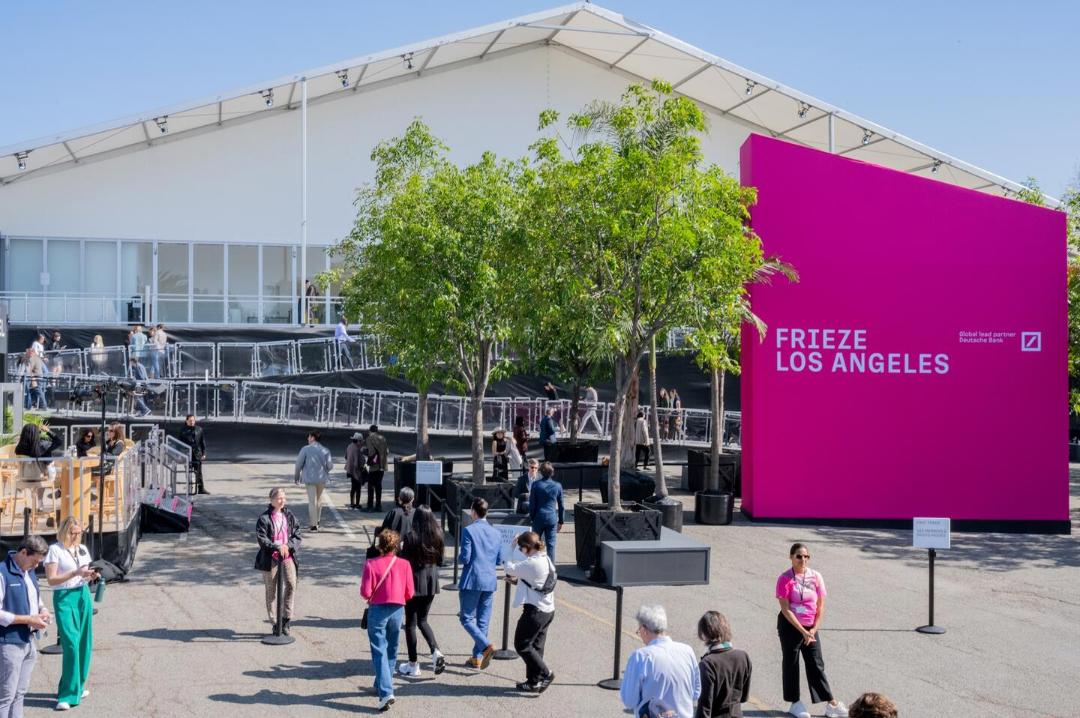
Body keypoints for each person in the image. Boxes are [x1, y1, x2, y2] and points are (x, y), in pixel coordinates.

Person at [776, 543, 848, 718]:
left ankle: (831, 703)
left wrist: (814, 629)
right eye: (799, 556)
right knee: (791, 663)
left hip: (811, 627)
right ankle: (795, 703)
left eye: (806, 556)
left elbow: (820, 606)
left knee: (816, 663)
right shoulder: (785, 578)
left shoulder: (816, 576)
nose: (803, 560)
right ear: (791, 557)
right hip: (791, 626)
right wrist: (802, 631)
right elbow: (786, 609)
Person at [44, 517, 99, 711]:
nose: (76, 536)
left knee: (84, 642)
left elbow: (85, 572)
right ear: (64, 532)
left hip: (83, 593)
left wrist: (92, 575)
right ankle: (67, 694)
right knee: (71, 644)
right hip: (64, 596)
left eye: (78, 533)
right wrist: (75, 573)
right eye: (72, 533)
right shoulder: (55, 550)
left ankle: (78, 686)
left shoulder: (82, 548)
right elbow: (51, 579)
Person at [360, 529, 414, 712]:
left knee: (379, 650)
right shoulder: (405, 564)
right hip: (397, 608)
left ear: (380, 546)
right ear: (396, 546)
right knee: (392, 648)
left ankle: (386, 692)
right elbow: (410, 592)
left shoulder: (371, 564)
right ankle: (382, 683)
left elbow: (365, 592)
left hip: (378, 608)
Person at [0, 535, 51, 718]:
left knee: (19, 693)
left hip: (29, 641)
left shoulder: (28, 571)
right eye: (34, 561)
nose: (36, 566)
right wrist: (29, 619)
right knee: (5, 697)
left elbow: (34, 597)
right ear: (23, 552)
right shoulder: (2, 573)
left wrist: (43, 609)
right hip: (9, 643)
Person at [621, 604, 701, 718]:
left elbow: (629, 701)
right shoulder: (687, 651)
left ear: (644, 630)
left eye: (639, 631)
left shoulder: (640, 657)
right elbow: (696, 692)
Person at [504, 531, 556, 693]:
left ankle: (546, 674)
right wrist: (517, 582)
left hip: (535, 611)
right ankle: (534, 682)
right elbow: (537, 582)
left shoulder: (531, 563)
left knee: (522, 645)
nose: (520, 551)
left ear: (526, 548)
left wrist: (511, 547)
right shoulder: (546, 559)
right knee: (536, 647)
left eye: (521, 549)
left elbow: (508, 567)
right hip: (548, 610)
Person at [397, 506, 446, 678]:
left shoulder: (410, 537)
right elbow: (441, 561)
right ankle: (435, 650)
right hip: (431, 582)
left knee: (410, 624)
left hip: (413, 582)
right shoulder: (438, 535)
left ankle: (413, 664)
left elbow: (402, 562)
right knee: (423, 620)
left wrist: (401, 548)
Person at [458, 497, 504, 669]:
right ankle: (477, 657)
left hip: (472, 579)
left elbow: (465, 557)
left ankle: (485, 647)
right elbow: (499, 560)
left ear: (473, 512)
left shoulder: (469, 530)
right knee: (483, 620)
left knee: (466, 618)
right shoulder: (496, 533)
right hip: (489, 580)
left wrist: (459, 557)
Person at [255, 488, 302, 636]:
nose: (283, 501)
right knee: (271, 591)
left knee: (291, 584)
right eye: (279, 498)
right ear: (272, 500)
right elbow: (262, 539)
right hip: (271, 558)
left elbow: (297, 534)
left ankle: (286, 619)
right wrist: (277, 547)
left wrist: (287, 546)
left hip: (287, 556)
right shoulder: (264, 518)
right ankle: (275, 623)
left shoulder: (289, 515)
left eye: (284, 498)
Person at [695, 611, 752, 718]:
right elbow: (744, 697)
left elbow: (704, 708)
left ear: (704, 635)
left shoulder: (708, 664)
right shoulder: (743, 656)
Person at [294, 431, 333, 531]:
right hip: (322, 478)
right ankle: (317, 520)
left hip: (309, 478)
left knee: (312, 501)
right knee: (319, 500)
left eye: (309, 437)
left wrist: (297, 477)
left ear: (312, 438)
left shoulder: (305, 449)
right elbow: (330, 466)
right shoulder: (325, 450)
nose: (308, 439)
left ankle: (313, 524)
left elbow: (298, 465)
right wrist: (324, 470)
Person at [528, 462, 564, 562]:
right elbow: (561, 505)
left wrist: (532, 517)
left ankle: (536, 566)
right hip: (551, 518)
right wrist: (561, 521)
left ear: (540, 472)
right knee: (551, 545)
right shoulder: (558, 486)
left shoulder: (536, 485)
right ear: (552, 472)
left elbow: (532, 504)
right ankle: (551, 569)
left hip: (538, 517)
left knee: (535, 544)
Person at [178, 414, 208, 494]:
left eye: (193, 420)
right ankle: (189, 488)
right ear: (186, 421)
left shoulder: (199, 429)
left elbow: (202, 442)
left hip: (197, 454)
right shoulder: (182, 430)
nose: (192, 422)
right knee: (188, 472)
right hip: (187, 454)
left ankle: (201, 488)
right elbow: (179, 443)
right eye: (190, 420)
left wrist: (204, 453)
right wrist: (179, 454)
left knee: (199, 472)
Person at [364, 425, 388, 512]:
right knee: (378, 486)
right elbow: (387, 451)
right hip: (382, 466)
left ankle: (370, 506)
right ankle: (378, 506)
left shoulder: (369, 438)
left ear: (370, 431)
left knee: (371, 486)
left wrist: (365, 452)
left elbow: (371, 452)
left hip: (374, 466)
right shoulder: (383, 438)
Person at [345, 432, 367, 509]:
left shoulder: (349, 446)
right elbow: (356, 463)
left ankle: (352, 503)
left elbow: (346, 457)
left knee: (353, 488)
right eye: (361, 441)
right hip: (356, 471)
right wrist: (361, 469)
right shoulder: (357, 449)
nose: (362, 443)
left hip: (350, 470)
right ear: (358, 441)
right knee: (358, 488)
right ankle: (357, 504)